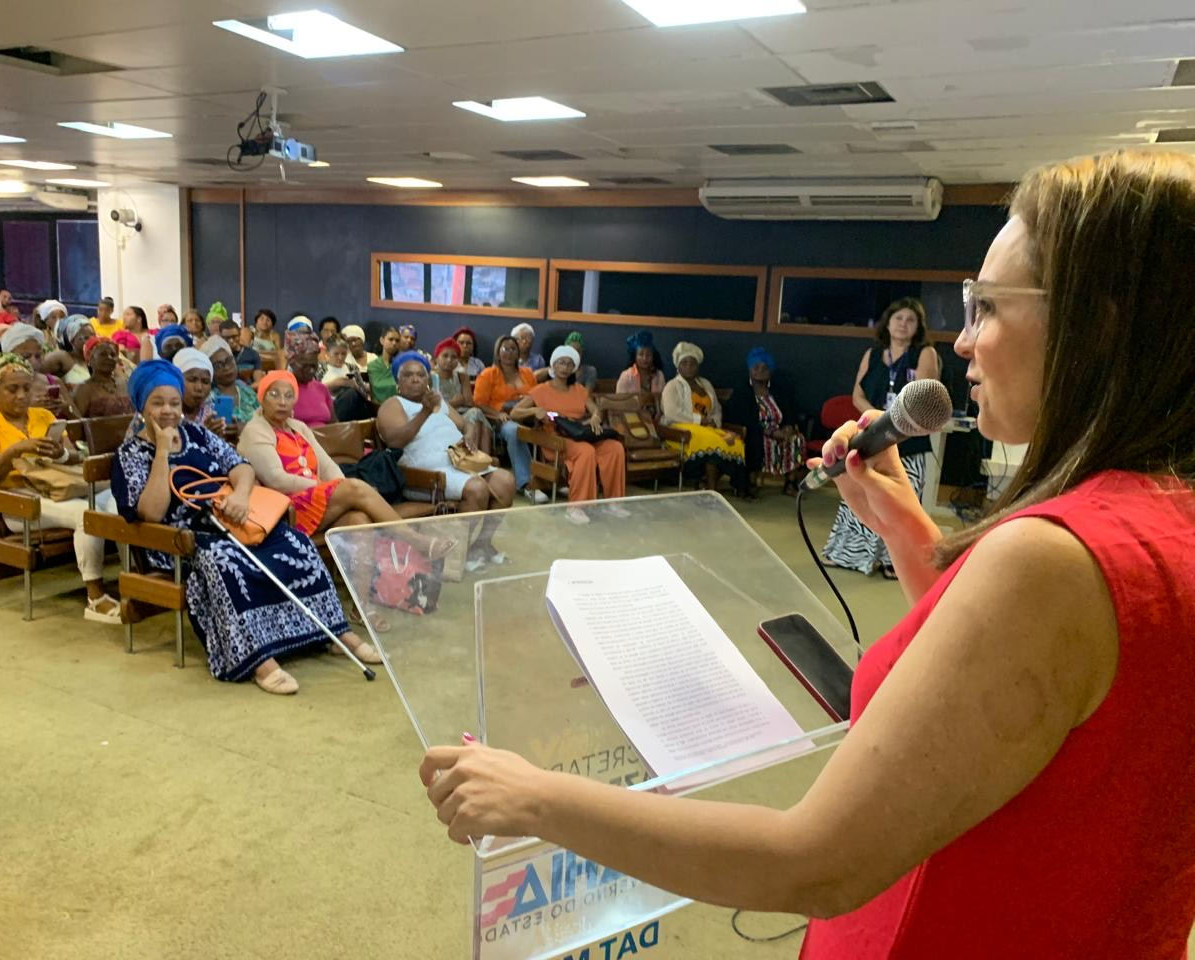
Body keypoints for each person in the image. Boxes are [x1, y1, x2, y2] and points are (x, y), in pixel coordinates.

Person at [421, 149, 1195, 959]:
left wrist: (536, 798)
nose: (963, 342)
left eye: (988, 307)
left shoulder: (1051, 561)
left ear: (1099, 325)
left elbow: (815, 863)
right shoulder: (1154, 520)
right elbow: (1035, 702)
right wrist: (907, 531)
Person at [113, 361, 362, 695]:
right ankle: (259, 659)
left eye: (173, 402)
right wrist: (161, 453)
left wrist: (242, 496)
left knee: (294, 542)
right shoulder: (130, 454)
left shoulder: (198, 434)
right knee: (225, 560)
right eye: (157, 403)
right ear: (141, 407)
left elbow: (240, 467)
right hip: (181, 540)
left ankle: (335, 633)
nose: (168, 411)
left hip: (231, 518)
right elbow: (152, 513)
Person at [239, 369, 452, 565]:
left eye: (288, 395)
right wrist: (326, 486)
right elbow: (277, 480)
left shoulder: (298, 427)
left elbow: (327, 465)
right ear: (262, 398)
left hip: (314, 498)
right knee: (354, 488)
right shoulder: (255, 431)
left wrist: (336, 487)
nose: (282, 401)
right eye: (274, 395)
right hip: (286, 509)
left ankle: (359, 596)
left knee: (359, 521)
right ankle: (417, 541)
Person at [0, 353, 120, 623]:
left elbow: (75, 457)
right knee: (88, 517)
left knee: (122, 502)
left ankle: (136, 579)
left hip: (59, 486)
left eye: (27, 388)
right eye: (12, 389)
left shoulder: (43, 416)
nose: (22, 395)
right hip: (19, 501)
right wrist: (15, 451)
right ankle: (95, 598)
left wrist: (61, 453)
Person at [823, 297, 942, 578]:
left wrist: (894, 421)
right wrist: (877, 418)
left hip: (908, 439)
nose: (903, 324)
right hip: (874, 436)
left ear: (918, 327)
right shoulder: (873, 354)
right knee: (862, 497)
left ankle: (895, 562)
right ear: (887, 323)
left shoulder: (925, 354)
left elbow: (923, 397)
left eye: (910, 320)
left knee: (899, 503)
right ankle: (849, 555)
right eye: (898, 318)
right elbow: (857, 395)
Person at [377, 352, 515, 568]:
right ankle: (458, 556)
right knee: (476, 488)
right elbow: (395, 441)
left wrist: (469, 436)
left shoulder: (438, 401)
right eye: (408, 375)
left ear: (428, 379)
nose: (415, 379)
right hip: (425, 474)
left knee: (505, 481)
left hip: (460, 463)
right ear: (398, 382)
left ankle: (481, 545)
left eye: (421, 375)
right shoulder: (393, 404)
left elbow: (465, 423)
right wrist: (424, 412)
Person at [511, 346, 626, 524]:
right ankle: (576, 507)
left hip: (579, 433)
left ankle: (613, 502)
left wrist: (596, 417)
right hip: (555, 438)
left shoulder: (579, 389)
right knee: (586, 451)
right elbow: (514, 413)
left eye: (569, 364)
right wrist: (534, 410)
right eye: (561, 363)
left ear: (574, 368)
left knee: (615, 448)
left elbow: (596, 409)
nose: (565, 367)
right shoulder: (540, 390)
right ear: (553, 365)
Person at [660, 341, 748, 497]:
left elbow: (717, 408)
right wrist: (700, 421)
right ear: (678, 367)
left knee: (734, 441)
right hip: (681, 431)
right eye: (684, 363)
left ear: (698, 366)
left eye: (693, 363)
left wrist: (714, 421)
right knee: (714, 442)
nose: (689, 367)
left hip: (708, 429)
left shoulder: (706, 384)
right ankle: (711, 488)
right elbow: (671, 413)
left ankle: (713, 485)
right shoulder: (672, 386)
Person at [725, 347, 808, 495]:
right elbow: (743, 419)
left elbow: (789, 411)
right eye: (756, 367)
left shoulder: (778, 389)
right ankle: (750, 481)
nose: (761, 371)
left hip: (779, 430)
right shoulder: (742, 391)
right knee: (756, 441)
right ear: (750, 370)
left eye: (765, 368)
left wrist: (788, 426)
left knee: (797, 439)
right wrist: (770, 432)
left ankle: (790, 483)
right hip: (755, 431)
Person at [472, 334, 541, 504]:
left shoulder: (528, 374)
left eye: (513, 349)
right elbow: (478, 403)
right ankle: (526, 483)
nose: (509, 352)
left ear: (518, 353)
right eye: (505, 349)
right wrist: (497, 414)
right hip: (499, 421)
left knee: (550, 425)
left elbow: (537, 396)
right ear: (498, 352)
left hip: (528, 417)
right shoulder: (488, 374)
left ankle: (553, 480)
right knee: (513, 430)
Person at [0, 324, 74, 418]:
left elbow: (82, 422)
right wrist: (29, 409)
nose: (33, 361)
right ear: (9, 358)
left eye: (38, 356)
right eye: (26, 357)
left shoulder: (54, 382)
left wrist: (65, 408)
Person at [280, 326, 334, 429]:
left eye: (314, 365)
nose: (311, 371)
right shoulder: (281, 391)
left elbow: (335, 426)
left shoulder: (321, 389)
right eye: (305, 366)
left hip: (327, 438)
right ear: (292, 362)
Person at [202, 337, 258, 429]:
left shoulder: (248, 392)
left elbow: (264, 422)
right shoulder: (209, 399)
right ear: (210, 371)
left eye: (229, 360)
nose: (227, 367)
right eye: (218, 365)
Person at [72, 337, 133, 418]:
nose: (109, 358)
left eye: (113, 355)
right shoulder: (83, 389)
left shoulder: (125, 384)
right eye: (103, 354)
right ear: (90, 360)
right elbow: (76, 422)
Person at [171, 348, 224, 432]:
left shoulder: (215, 413)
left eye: (205, 382)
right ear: (177, 380)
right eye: (192, 380)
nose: (199, 388)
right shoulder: (167, 413)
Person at [43, 314, 97, 385]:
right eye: (86, 338)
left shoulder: (98, 360)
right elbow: (35, 375)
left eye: (93, 336)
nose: (92, 340)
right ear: (72, 340)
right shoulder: (62, 357)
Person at [615, 329, 666, 398]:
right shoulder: (626, 376)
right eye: (641, 354)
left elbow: (664, 400)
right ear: (635, 356)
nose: (645, 358)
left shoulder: (659, 375)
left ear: (653, 356)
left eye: (648, 355)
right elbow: (620, 401)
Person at [365, 326, 402, 404]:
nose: (394, 343)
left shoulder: (402, 366)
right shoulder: (372, 366)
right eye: (391, 339)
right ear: (382, 340)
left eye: (397, 341)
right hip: (376, 408)